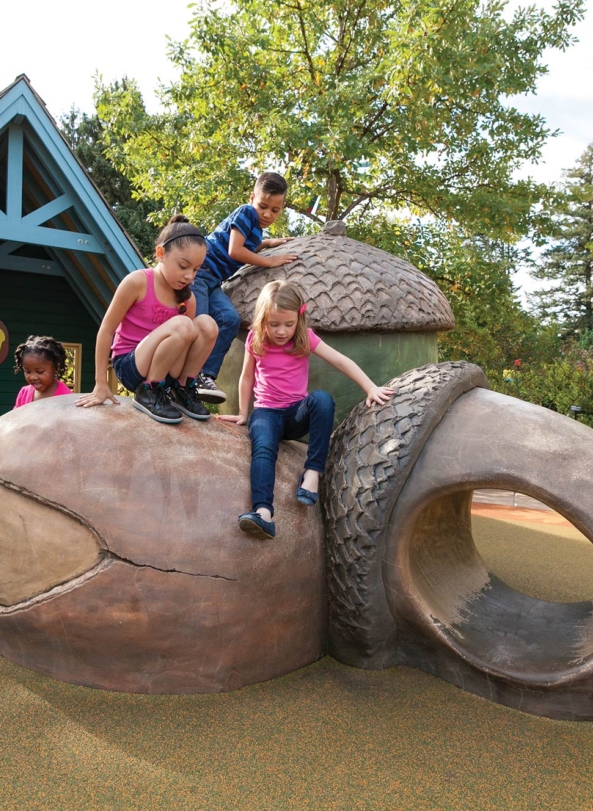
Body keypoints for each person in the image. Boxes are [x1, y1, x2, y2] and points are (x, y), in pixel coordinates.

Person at [218, 280, 394, 539]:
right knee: (263, 451)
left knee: (322, 400)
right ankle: (263, 513)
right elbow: (247, 378)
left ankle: (312, 474)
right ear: (263, 319)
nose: (281, 331)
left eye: (288, 325)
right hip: (266, 413)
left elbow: (341, 361)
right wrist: (244, 413)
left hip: (295, 414)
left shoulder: (305, 339)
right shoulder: (256, 339)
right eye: (274, 324)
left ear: (298, 320)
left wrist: (370, 387)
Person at [76, 215, 219, 424]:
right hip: (131, 365)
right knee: (184, 325)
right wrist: (100, 383)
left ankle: (182, 390)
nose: (189, 276)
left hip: (168, 368)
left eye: (195, 269)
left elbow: (186, 344)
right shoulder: (138, 282)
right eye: (183, 266)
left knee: (208, 324)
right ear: (161, 253)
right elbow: (106, 330)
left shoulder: (189, 299)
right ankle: (148, 391)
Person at [190, 171, 299, 404]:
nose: (268, 214)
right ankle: (183, 379)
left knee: (229, 319)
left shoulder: (256, 226)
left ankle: (204, 375)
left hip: (213, 281)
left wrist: (268, 243)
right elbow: (235, 250)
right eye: (263, 206)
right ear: (252, 199)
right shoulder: (246, 212)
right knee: (199, 325)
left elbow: (248, 244)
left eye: (275, 210)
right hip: (200, 273)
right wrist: (269, 261)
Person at [13, 335, 73, 407]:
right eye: (27, 371)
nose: (33, 377)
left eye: (40, 371)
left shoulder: (66, 398)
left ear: (56, 367)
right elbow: (16, 417)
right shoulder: (24, 393)